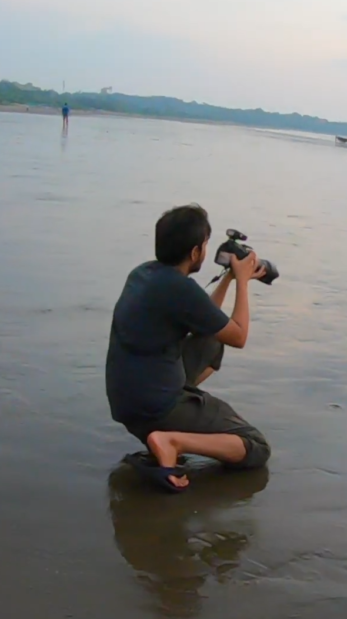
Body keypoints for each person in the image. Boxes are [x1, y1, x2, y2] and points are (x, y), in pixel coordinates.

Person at [105, 203, 271, 492]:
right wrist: (243, 281)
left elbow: (206, 319)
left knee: (211, 339)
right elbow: (239, 335)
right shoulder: (180, 289)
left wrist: (229, 278)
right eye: (204, 245)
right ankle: (172, 438)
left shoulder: (143, 274)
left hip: (126, 399)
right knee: (256, 447)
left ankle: (172, 426)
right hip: (155, 407)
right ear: (195, 252)